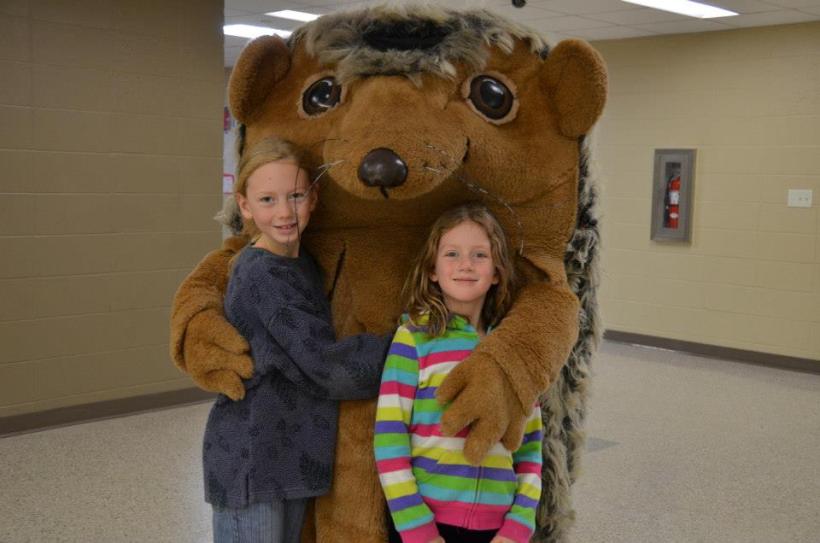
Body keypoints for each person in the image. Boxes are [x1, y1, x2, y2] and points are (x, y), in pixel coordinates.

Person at [203, 136, 390, 543]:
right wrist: (403, 347)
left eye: (296, 195)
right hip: (252, 457)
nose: (285, 212)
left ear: (314, 197)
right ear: (245, 205)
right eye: (268, 200)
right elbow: (324, 365)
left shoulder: (300, 263)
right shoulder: (260, 273)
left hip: (288, 456)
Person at [374, 203, 543, 543]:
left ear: (496, 271)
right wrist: (418, 529)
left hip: (499, 531)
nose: (465, 264)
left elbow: (531, 448)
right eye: (452, 253)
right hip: (426, 525)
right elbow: (389, 439)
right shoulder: (415, 338)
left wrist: (519, 526)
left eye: (480, 255)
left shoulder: (514, 348)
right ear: (432, 269)